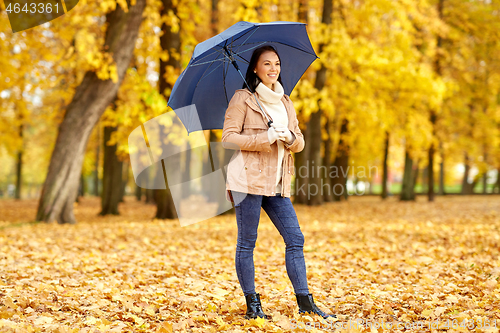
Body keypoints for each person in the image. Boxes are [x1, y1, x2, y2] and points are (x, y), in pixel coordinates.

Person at [221, 45, 336, 320]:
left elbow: (299, 142)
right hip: (247, 181)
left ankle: (305, 302)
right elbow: (228, 138)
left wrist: (288, 138)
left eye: (277, 64)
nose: (273, 69)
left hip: (277, 183)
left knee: (295, 238)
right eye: (267, 64)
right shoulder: (243, 99)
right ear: (255, 69)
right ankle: (253, 305)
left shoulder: (285, 101)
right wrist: (265, 138)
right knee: (247, 242)